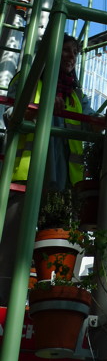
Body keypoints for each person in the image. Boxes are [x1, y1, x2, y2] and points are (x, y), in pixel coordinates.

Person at [0, 33, 95, 303]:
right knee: (12, 248)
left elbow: (91, 122)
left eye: (75, 52)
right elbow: (11, 115)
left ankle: (55, 303)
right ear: (49, 53)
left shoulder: (75, 94)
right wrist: (39, 108)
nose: (71, 56)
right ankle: (4, 304)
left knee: (62, 247)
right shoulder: (28, 80)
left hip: (65, 187)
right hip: (27, 179)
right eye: (65, 50)